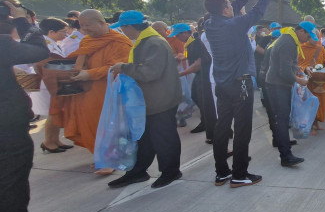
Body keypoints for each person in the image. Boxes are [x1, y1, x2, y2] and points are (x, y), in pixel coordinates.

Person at [0, 0, 56, 212]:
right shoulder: (3, 44)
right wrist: (23, 20)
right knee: (10, 183)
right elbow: (38, 51)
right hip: (6, 126)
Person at [203, 0, 272, 187]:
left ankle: (221, 172)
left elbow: (224, 10)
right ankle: (239, 173)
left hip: (222, 83)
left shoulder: (209, 24)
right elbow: (257, 12)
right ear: (225, 9)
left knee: (222, 126)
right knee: (242, 129)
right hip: (240, 83)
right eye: (228, 4)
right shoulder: (234, 25)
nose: (231, 6)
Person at [107, 11, 183, 189]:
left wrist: (124, 67)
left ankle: (171, 171)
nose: (122, 32)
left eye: (122, 28)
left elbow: (150, 72)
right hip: (148, 99)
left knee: (163, 138)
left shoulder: (153, 43)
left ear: (129, 27)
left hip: (160, 100)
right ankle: (137, 171)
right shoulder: (146, 41)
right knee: (143, 138)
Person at [61, 10, 132, 170]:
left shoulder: (120, 42)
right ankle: (100, 155)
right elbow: (80, 60)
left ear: (101, 23)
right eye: (82, 26)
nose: (85, 29)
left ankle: (111, 159)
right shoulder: (87, 40)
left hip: (108, 90)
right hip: (85, 90)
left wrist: (89, 74)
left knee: (109, 125)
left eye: (88, 25)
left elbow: (117, 67)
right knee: (89, 124)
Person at [265, 21, 317, 167]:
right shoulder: (288, 43)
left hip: (277, 83)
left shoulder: (289, 38)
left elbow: (285, 64)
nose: (307, 40)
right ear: (301, 31)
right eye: (308, 36)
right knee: (282, 119)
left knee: (280, 118)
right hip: (278, 85)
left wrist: (296, 68)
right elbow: (284, 72)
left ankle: (281, 143)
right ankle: (286, 156)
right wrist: (300, 80)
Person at [32, 17, 73, 153]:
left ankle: (55, 140)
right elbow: (43, 65)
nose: (65, 35)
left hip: (55, 81)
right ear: (51, 32)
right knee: (53, 113)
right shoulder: (45, 45)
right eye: (63, 32)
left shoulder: (52, 43)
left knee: (57, 112)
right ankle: (49, 141)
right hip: (49, 83)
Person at [181, 17, 216, 142]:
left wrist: (180, 74)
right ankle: (209, 124)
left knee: (208, 104)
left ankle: (213, 133)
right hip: (205, 75)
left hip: (206, 76)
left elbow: (198, 63)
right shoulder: (197, 41)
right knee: (199, 99)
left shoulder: (200, 41)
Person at [297, 26, 325, 135]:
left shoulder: (321, 48)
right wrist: (306, 68)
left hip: (320, 80)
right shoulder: (301, 48)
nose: (316, 39)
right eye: (314, 37)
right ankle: (310, 126)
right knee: (309, 103)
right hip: (308, 81)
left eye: (318, 37)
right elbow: (298, 64)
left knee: (320, 102)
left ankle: (316, 122)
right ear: (308, 36)